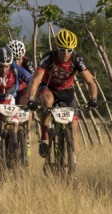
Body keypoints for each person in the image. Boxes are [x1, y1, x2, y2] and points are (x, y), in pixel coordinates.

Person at [26, 29, 99, 158]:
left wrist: (93, 98)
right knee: (47, 102)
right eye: (62, 50)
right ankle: (45, 136)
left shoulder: (76, 59)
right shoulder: (49, 58)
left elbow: (91, 82)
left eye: (69, 50)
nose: (66, 53)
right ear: (56, 48)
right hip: (48, 88)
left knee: (73, 125)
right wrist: (31, 98)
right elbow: (36, 79)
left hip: (66, 91)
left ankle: (73, 160)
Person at [0, 47, 33, 152]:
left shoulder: (16, 68)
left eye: (7, 67)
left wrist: (31, 97)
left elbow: (32, 80)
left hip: (8, 97)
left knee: (14, 123)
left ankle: (12, 148)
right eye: (1, 66)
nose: (4, 70)